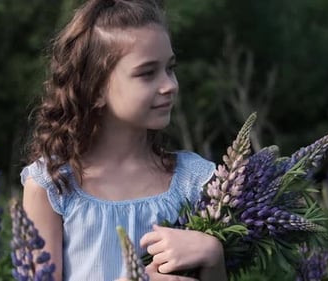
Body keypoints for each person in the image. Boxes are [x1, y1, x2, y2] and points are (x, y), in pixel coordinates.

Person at [20, 0, 227, 280]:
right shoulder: (52, 185)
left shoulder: (198, 182)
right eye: (147, 73)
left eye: (170, 68)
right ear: (94, 90)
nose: (170, 85)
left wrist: (213, 256)